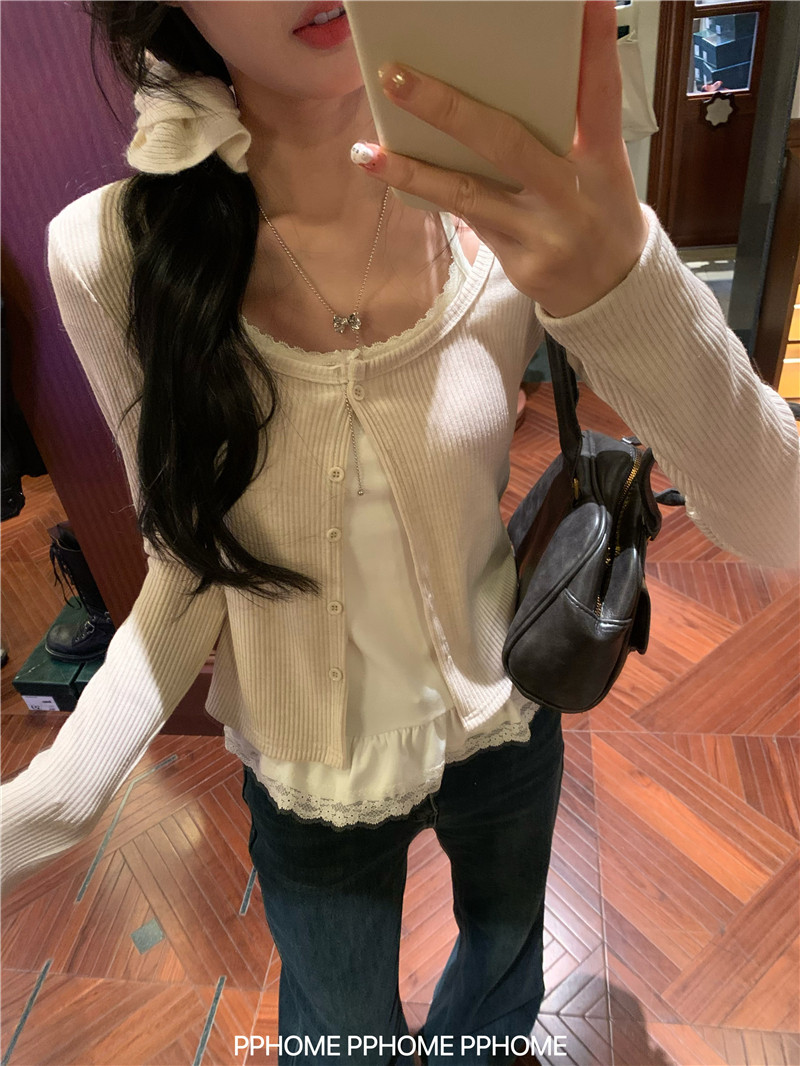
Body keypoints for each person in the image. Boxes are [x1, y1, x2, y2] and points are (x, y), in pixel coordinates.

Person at [2, 2, 798, 1064]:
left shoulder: (507, 207)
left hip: (506, 722)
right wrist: (61, 794)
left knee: (500, 998)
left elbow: (776, 521)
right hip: (308, 778)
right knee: (340, 1040)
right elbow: (184, 565)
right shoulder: (108, 252)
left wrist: (624, 280)